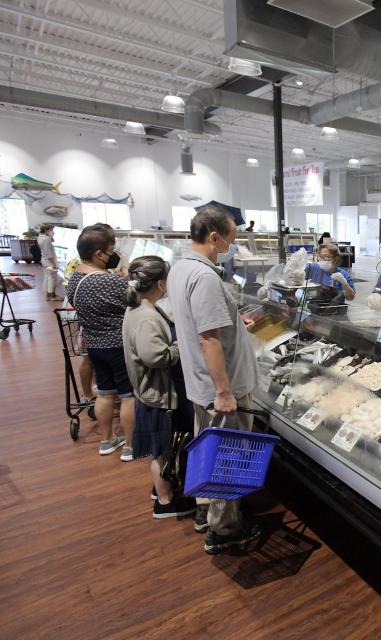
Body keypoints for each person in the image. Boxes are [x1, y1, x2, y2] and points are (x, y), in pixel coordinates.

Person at [167, 206, 260, 554]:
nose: (233, 245)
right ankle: (225, 530)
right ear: (213, 236)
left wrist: (236, 322)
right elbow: (209, 339)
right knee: (228, 456)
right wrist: (224, 391)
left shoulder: (181, 267)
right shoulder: (205, 277)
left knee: (209, 449)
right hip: (221, 389)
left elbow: (200, 324)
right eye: (231, 238)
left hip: (200, 383)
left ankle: (206, 511)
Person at [122, 256, 197, 518]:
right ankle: (164, 502)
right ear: (162, 284)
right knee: (161, 452)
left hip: (150, 392)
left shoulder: (139, 309)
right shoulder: (146, 317)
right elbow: (155, 356)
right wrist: (180, 347)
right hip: (156, 395)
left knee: (163, 448)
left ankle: (161, 487)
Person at [65, 225, 135, 459]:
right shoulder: (110, 282)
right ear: (98, 253)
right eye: (110, 250)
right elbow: (135, 300)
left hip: (94, 345)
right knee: (128, 396)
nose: (113, 255)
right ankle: (130, 445)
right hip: (119, 346)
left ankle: (107, 441)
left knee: (105, 394)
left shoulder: (74, 280)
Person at [37, 223, 62, 301]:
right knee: (53, 278)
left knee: (48, 277)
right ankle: (52, 295)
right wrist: (54, 264)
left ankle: (48, 295)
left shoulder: (40, 237)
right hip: (49, 261)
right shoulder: (47, 239)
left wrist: (51, 236)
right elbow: (49, 254)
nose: (52, 231)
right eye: (51, 230)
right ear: (46, 230)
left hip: (44, 260)